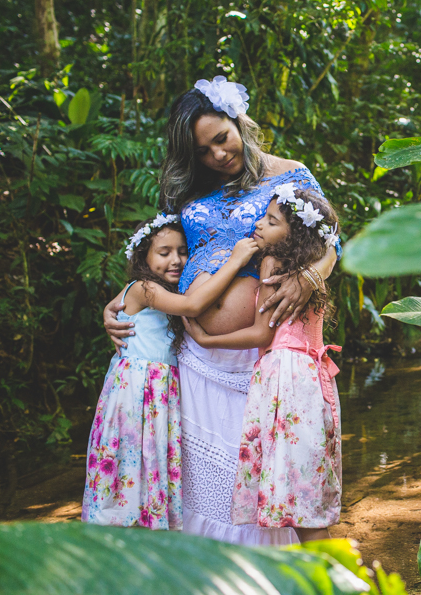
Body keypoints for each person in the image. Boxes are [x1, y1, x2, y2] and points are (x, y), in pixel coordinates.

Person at [102, 76, 338, 545]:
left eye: (221, 139)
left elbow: (330, 242)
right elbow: (163, 253)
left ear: (239, 123)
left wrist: (310, 276)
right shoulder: (191, 188)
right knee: (204, 487)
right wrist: (126, 299)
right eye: (203, 151)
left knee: (267, 483)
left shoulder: (291, 174)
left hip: (260, 357)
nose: (217, 155)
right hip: (194, 358)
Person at [184, 187, 341, 543]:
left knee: (298, 504)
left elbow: (260, 333)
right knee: (305, 495)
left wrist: (209, 340)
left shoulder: (273, 263)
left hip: (285, 380)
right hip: (311, 379)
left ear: (295, 233)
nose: (258, 224)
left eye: (271, 221)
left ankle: (344, 582)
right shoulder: (307, 271)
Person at [83, 214, 258, 529]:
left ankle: (149, 525)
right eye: (164, 252)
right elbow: (193, 306)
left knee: (150, 457)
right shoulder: (146, 287)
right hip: (138, 391)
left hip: (156, 390)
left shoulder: (154, 290)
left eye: (182, 251)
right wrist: (235, 261)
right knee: (131, 457)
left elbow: (118, 306)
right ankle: (122, 529)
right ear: (143, 257)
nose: (176, 260)